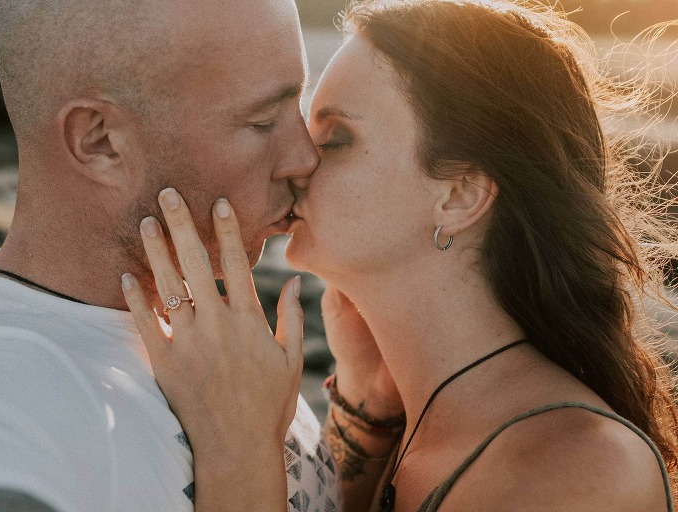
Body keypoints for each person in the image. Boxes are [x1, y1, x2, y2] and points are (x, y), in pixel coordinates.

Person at [123, 0, 678, 510]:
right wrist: (365, 412)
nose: (295, 159)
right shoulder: (420, 418)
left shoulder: (581, 471)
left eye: (335, 137)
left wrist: (239, 448)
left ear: (459, 194)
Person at [0, 1, 344, 511]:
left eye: (299, 103)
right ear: (100, 142)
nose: (304, 157)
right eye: (263, 121)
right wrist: (240, 462)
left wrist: (367, 414)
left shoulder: (231, 348)